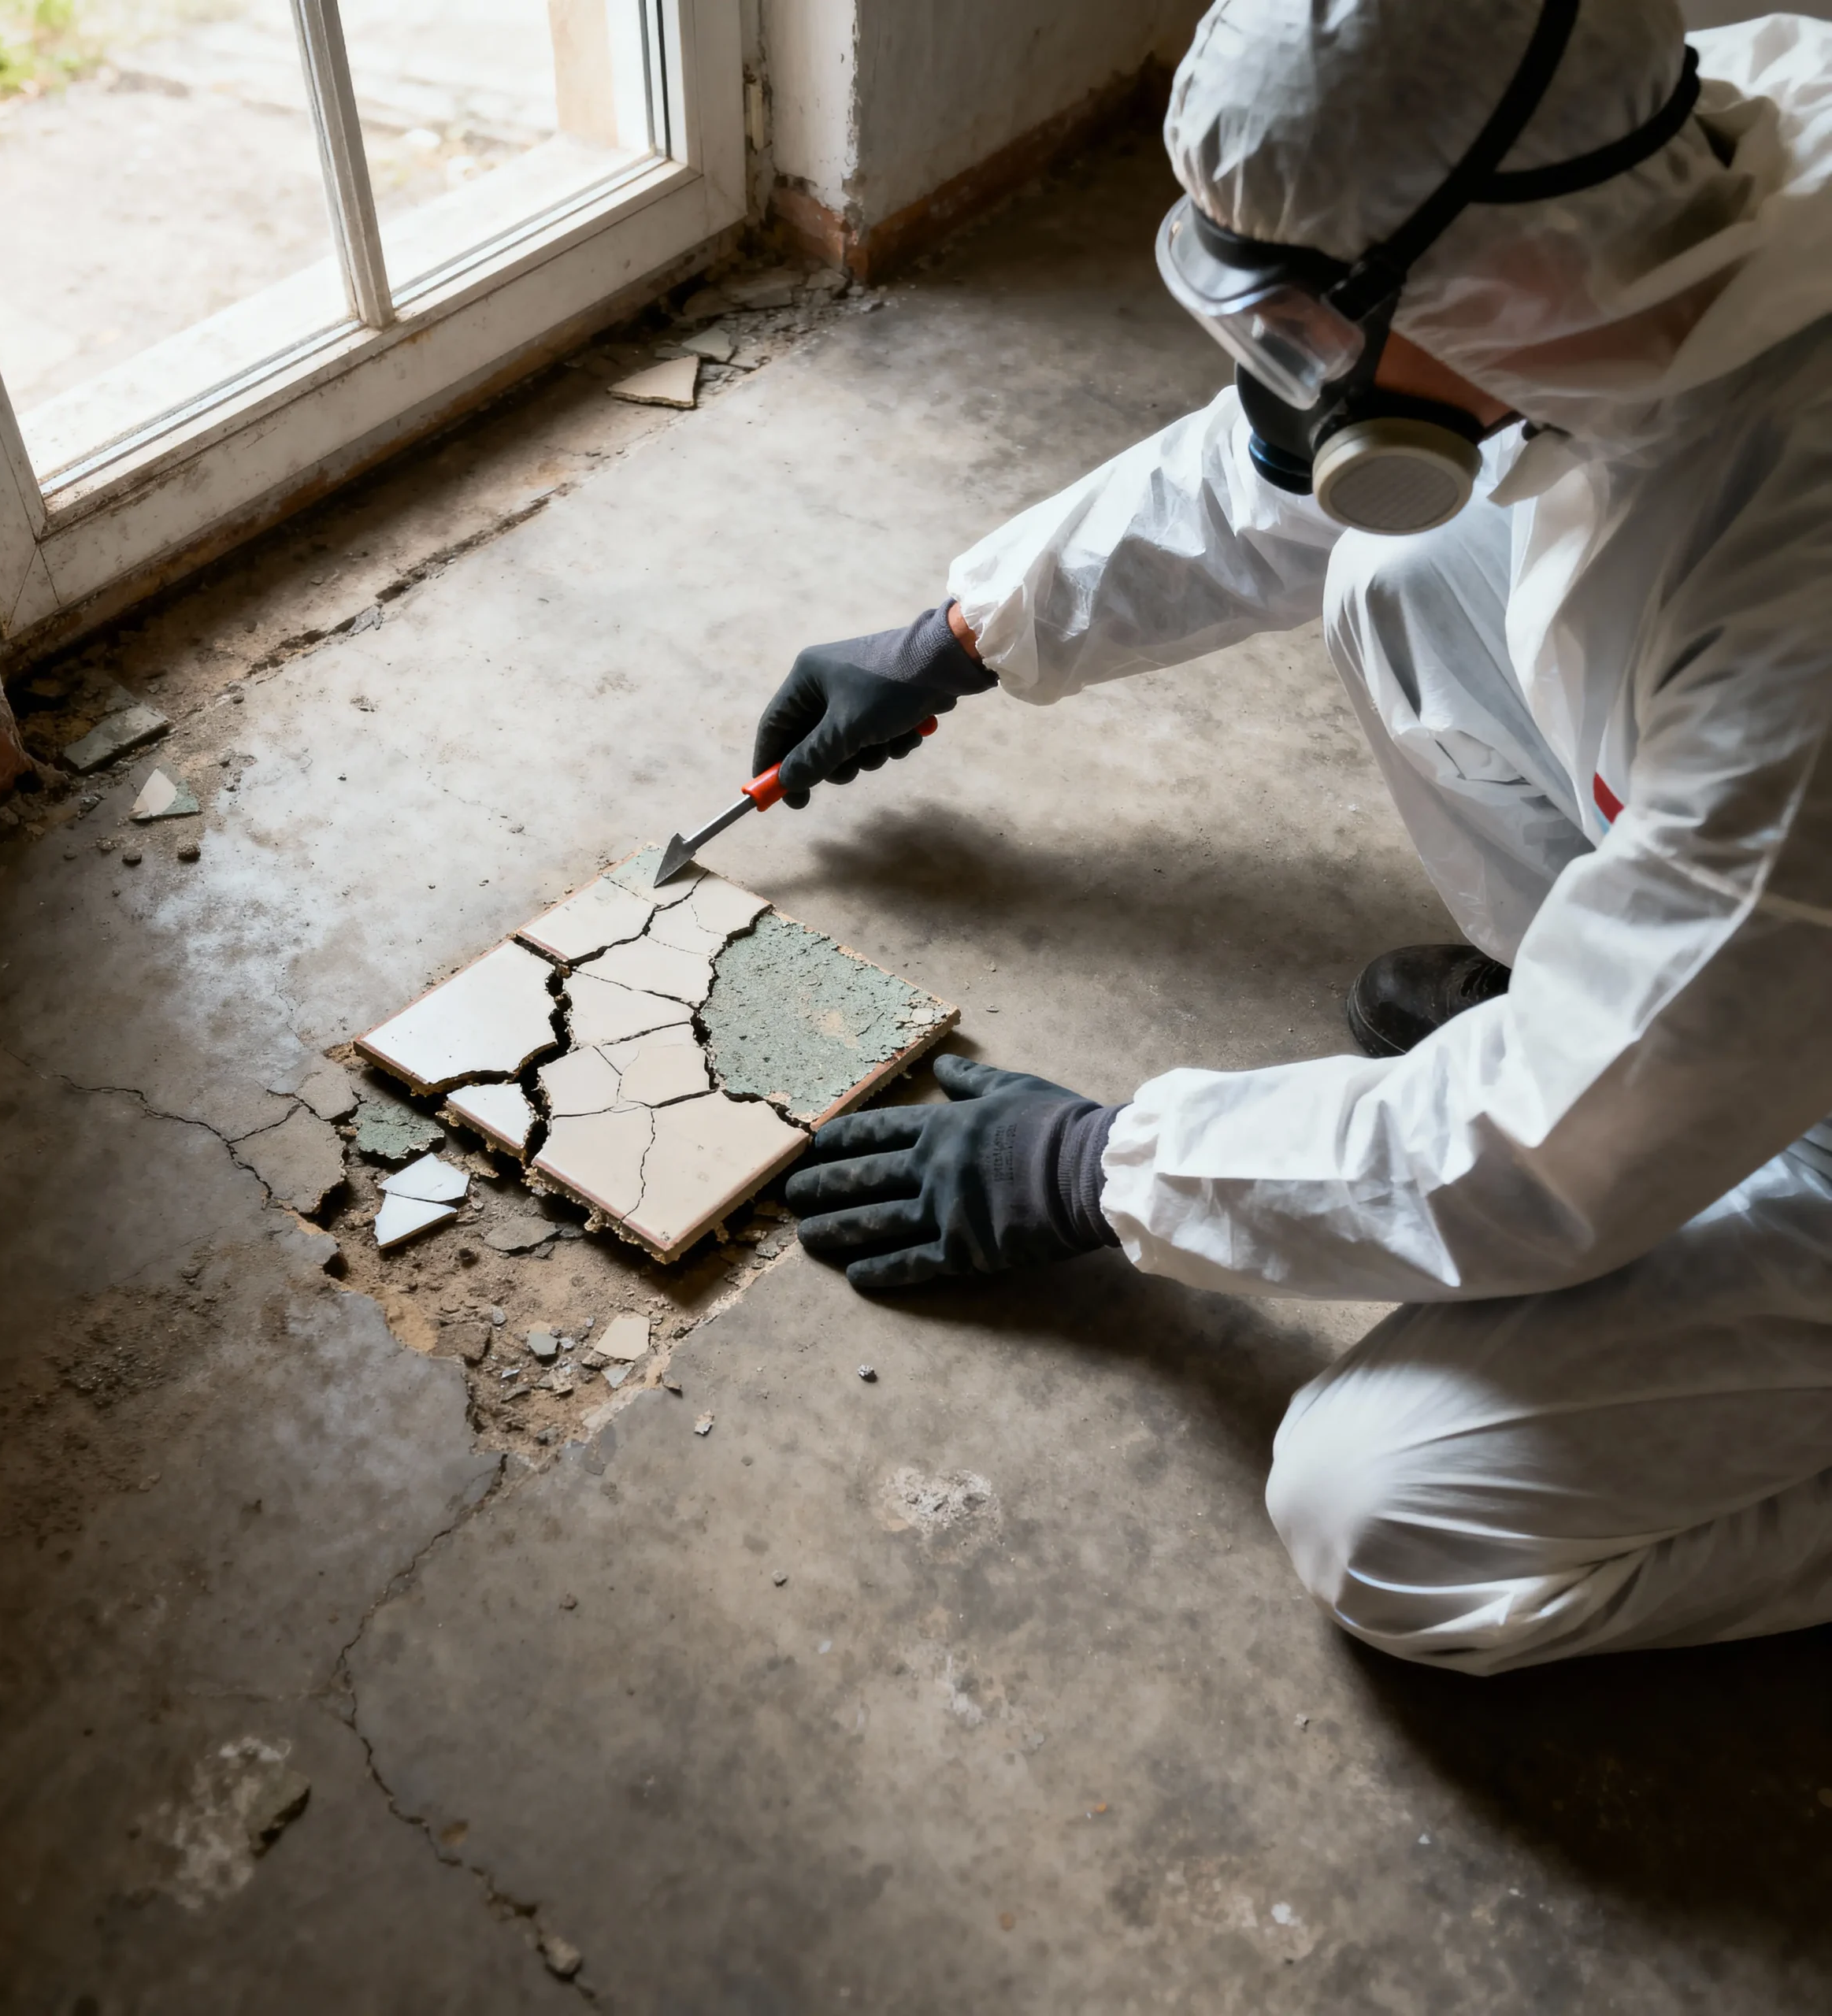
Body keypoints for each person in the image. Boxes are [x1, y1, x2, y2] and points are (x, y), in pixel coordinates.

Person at [753, 0, 1832, 1676]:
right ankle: (1620, 989)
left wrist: (1100, 1164)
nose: (1281, 379)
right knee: (1398, 555)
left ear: (1493, 287)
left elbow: (1547, 1154)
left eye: (1297, 328)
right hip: (1775, 942)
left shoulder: (1802, 593)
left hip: (1796, 1013)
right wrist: (958, 631)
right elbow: (1318, 447)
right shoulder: (1664, 183)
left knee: (1377, 1511)